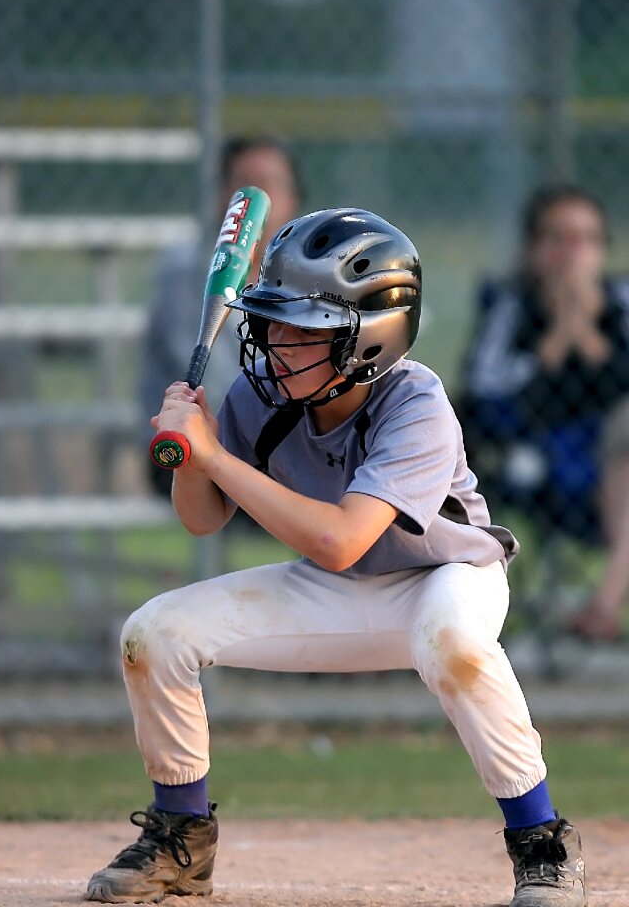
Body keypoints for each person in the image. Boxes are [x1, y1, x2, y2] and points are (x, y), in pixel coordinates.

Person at [87, 209, 587, 907]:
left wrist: (218, 460)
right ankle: (182, 837)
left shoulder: (416, 401)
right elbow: (201, 520)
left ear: (369, 340)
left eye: (305, 331)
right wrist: (192, 452)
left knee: (454, 644)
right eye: (273, 323)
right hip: (339, 587)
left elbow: (341, 536)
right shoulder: (262, 397)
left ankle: (542, 845)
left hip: (447, 578)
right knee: (156, 632)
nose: (276, 344)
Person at [460, 185, 629, 642]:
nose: (572, 253)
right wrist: (555, 340)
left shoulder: (621, 304)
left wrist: (590, 336)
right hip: (531, 465)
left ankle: (605, 603)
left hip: (610, 465)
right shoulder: (512, 306)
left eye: (586, 239)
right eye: (558, 238)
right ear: (533, 249)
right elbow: (482, 391)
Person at [140, 135, 301, 497]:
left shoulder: (301, 274)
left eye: (272, 184)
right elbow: (212, 382)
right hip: (183, 443)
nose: (262, 198)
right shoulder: (188, 269)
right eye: (247, 182)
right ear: (223, 197)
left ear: (293, 199)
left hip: (272, 440)